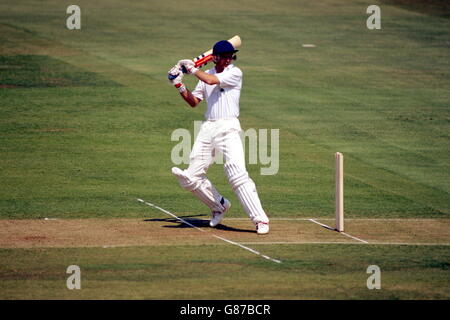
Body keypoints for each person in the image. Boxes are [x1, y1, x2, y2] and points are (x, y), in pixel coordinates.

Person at [167, 39, 270, 235]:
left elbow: (212, 81)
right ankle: (219, 206)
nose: (228, 59)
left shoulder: (235, 73)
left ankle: (260, 220)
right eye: (224, 57)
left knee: (236, 174)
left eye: (230, 56)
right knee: (189, 178)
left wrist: (192, 69)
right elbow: (194, 101)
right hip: (208, 128)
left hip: (228, 127)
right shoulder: (206, 75)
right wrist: (179, 84)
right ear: (215, 58)